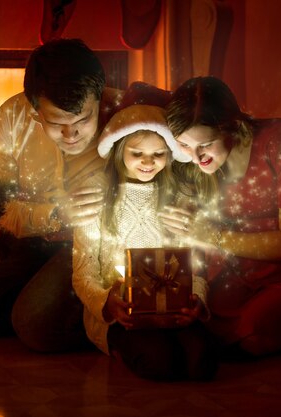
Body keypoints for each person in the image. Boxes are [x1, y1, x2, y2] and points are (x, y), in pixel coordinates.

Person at [0, 38, 172, 353]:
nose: (71, 134)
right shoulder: (13, 116)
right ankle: (37, 312)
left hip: (85, 252)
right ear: (35, 111)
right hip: (24, 241)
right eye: (57, 124)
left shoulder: (126, 118)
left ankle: (46, 317)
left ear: (100, 100)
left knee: (36, 325)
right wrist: (54, 214)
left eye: (83, 120)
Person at [159, 76, 281, 358]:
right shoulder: (195, 162)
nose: (195, 157)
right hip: (245, 265)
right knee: (196, 313)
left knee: (253, 332)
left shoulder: (278, 140)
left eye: (206, 144)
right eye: (185, 146)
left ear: (235, 125)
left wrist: (209, 235)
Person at [72, 104, 219, 381]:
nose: (148, 162)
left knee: (204, 362)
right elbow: (83, 273)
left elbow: (195, 264)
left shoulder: (178, 198)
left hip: (170, 311)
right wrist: (108, 302)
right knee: (159, 363)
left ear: (170, 155)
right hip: (122, 315)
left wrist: (196, 298)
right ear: (118, 151)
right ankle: (122, 348)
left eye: (158, 154)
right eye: (137, 153)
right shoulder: (96, 200)